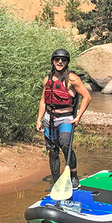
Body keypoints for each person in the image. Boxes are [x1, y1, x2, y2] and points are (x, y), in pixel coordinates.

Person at [36, 49, 91, 190]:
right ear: (53, 61)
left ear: (67, 62)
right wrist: (39, 118)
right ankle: (55, 182)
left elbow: (87, 97)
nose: (60, 62)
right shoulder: (47, 79)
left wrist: (78, 117)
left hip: (66, 118)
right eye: (57, 59)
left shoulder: (72, 78)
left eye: (63, 60)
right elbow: (43, 100)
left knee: (66, 145)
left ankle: (73, 177)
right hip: (49, 118)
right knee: (53, 151)